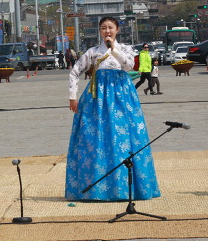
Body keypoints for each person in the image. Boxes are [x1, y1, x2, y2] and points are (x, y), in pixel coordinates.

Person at [66, 16, 160, 201]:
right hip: (97, 99)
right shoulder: (92, 52)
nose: (107, 31)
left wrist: (113, 49)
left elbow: (129, 65)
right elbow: (75, 71)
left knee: (126, 136)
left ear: (117, 30)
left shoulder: (125, 49)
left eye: (110, 28)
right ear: (99, 31)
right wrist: (73, 96)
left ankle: (128, 187)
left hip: (122, 97)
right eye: (103, 28)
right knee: (97, 138)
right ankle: (98, 188)